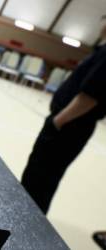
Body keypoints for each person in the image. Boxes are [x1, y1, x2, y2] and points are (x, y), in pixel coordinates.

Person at [21, 15, 106, 214]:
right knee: (42, 177)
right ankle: (28, 215)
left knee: (40, 178)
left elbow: (90, 96)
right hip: (70, 127)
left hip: (68, 127)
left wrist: (58, 122)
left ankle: (27, 220)